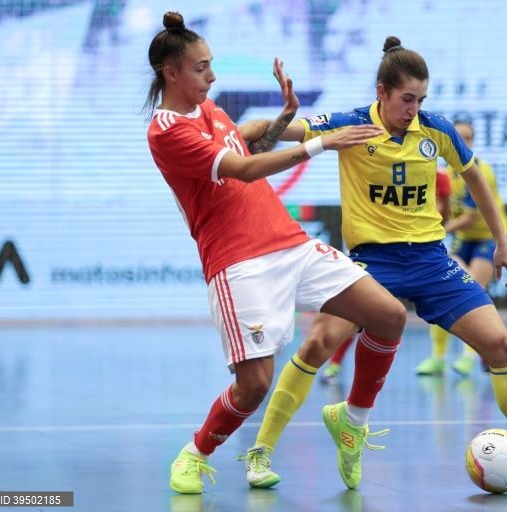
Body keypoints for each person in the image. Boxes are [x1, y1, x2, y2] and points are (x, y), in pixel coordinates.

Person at [244, 36, 507, 489]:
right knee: (319, 342)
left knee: (502, 345)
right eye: (407, 99)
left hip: (430, 261)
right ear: (381, 92)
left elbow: (475, 178)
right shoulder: (350, 124)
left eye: (421, 99)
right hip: (372, 262)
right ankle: (261, 453)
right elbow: (274, 132)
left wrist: (501, 242)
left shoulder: (435, 130)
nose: (414, 109)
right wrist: (240, 131)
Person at [144, 12, 406, 494]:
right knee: (254, 386)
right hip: (238, 263)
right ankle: (195, 454)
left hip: (291, 244)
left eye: (211, 65)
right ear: (171, 72)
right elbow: (243, 169)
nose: (212, 76)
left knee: (388, 315)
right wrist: (322, 143)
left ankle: (352, 420)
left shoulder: (210, 110)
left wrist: (284, 117)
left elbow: (248, 145)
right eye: (201, 68)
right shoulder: (165, 131)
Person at [319, 168, 452, 385]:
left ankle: (457, 358)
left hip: (424, 253)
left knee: (457, 303)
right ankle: (334, 364)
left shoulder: (441, 176)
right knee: (356, 314)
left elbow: (444, 213)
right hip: (381, 254)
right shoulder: (381, 169)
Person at [415, 119, 507, 378]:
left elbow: (470, 217)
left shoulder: (479, 171)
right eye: (459, 137)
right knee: (445, 290)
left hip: (489, 237)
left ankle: (470, 357)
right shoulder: (444, 174)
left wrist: (440, 229)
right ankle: (438, 358)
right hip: (464, 239)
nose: (463, 143)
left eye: (468, 138)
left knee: (472, 289)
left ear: (473, 142)